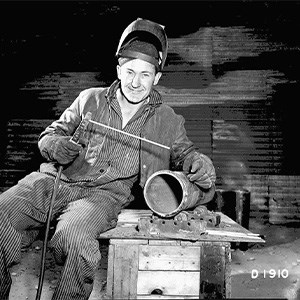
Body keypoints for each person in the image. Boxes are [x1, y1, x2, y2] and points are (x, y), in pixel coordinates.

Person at [0, 18, 216, 300]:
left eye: (145, 75)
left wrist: (198, 164)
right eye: (129, 71)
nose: (135, 83)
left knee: (74, 236)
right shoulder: (88, 99)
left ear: (157, 77)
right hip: (53, 180)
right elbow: (50, 134)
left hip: (104, 195)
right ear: (118, 69)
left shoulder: (168, 120)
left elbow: (186, 154)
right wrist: (57, 146)